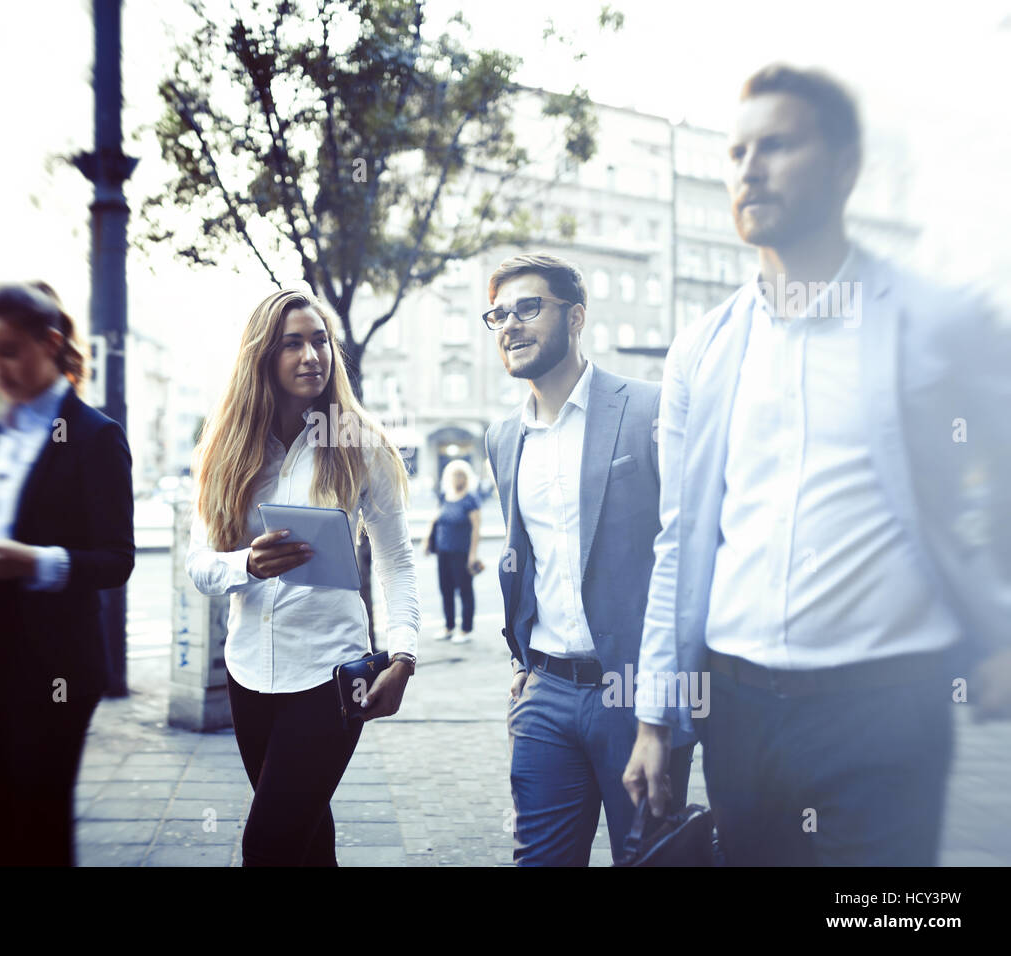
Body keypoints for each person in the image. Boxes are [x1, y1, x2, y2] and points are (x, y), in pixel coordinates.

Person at [623, 64, 1011, 866]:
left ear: (845, 166)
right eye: (735, 153)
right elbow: (679, 541)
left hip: (886, 704)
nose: (748, 168)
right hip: (738, 711)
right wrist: (656, 718)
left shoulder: (933, 322)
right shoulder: (702, 349)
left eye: (777, 145)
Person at [184, 288, 420, 866]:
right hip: (249, 676)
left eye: (321, 341)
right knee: (308, 843)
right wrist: (247, 564)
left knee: (266, 845)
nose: (312, 355)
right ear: (263, 355)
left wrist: (404, 657)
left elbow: (397, 558)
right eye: (293, 343)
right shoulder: (227, 451)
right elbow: (200, 566)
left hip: (331, 678)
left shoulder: (359, 444)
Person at [482, 252, 694, 866]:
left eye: (529, 308)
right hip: (545, 694)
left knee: (648, 858)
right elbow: (523, 558)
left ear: (575, 317)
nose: (511, 325)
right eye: (498, 314)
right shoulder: (503, 438)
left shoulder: (650, 410)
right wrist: (520, 659)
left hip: (638, 692)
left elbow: (687, 551)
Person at [0, 281, 135, 866]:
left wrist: (34, 561)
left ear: (50, 342)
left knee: (35, 827)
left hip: (53, 668)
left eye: (8, 351)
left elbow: (115, 559)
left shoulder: (95, 437)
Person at [423, 459, 482, 643]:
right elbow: (435, 518)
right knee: (445, 589)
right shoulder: (444, 496)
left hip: (462, 552)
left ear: (467, 477)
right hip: (444, 551)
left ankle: (465, 629)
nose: (458, 478)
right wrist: (427, 540)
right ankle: (448, 626)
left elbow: (476, 528)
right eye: (454, 474)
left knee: (464, 590)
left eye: (461, 475)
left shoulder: (470, 499)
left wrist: (472, 554)